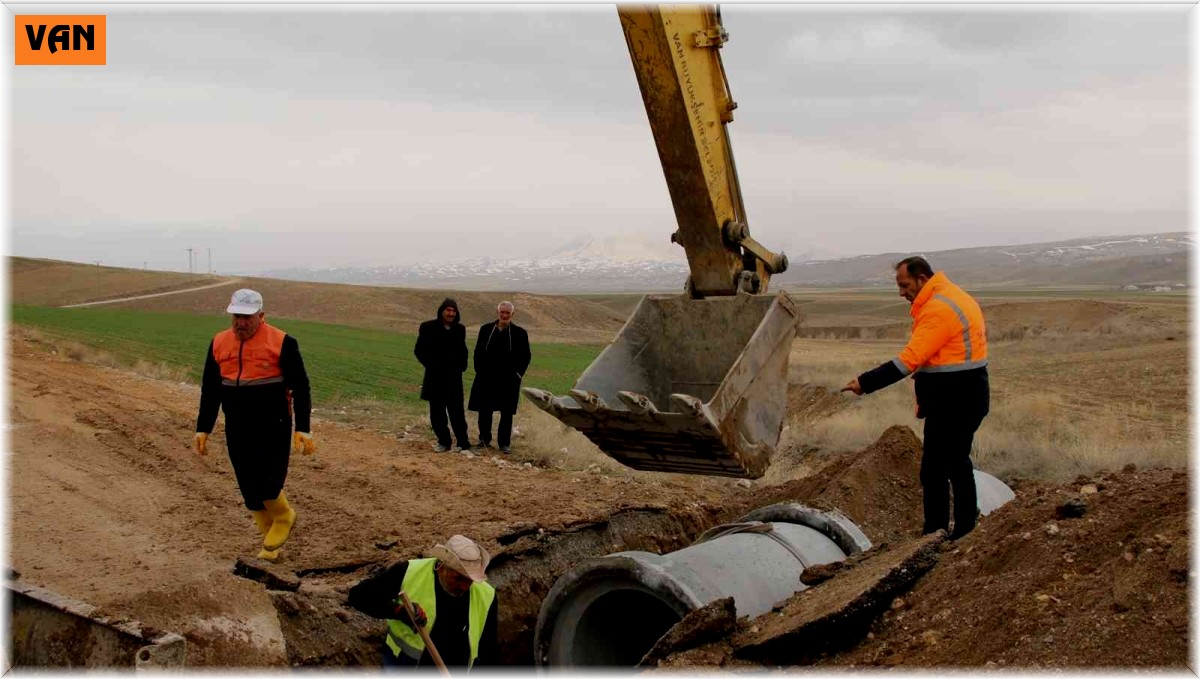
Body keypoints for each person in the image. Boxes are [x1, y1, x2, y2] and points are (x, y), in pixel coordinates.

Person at [841, 256, 989, 540]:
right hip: (959, 397)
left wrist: (865, 383)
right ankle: (939, 532)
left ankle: (958, 532)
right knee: (939, 467)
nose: (901, 292)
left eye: (904, 285)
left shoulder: (938, 309)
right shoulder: (952, 295)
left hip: (956, 401)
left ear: (922, 279)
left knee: (951, 465)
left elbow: (907, 361)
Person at [194, 288, 315, 561]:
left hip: (274, 421)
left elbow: (301, 387)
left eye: (247, 317)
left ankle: (284, 516)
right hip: (236, 422)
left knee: (267, 478)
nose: (241, 323)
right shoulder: (218, 343)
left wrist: (303, 428)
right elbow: (210, 389)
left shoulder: (283, 342)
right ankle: (270, 546)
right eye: (237, 316)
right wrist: (204, 427)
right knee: (247, 483)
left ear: (261, 316)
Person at [347, 535, 499, 670]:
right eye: (458, 578)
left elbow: (488, 651)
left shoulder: (487, 595)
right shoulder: (408, 573)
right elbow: (358, 596)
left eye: (470, 580)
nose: (464, 587)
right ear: (441, 566)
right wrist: (399, 612)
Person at [468, 301, 531, 453]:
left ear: (512, 314)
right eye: (502, 312)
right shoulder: (486, 329)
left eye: (507, 313)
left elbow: (526, 355)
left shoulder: (520, 333)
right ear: (497, 313)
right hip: (486, 377)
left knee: (507, 411)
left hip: (509, 379)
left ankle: (504, 443)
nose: (504, 315)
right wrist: (479, 370)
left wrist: (518, 374)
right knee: (484, 410)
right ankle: (484, 440)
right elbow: (478, 352)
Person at [414, 298, 471, 453]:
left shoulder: (460, 329)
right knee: (437, 412)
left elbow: (463, 350)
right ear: (442, 311)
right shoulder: (427, 327)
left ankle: (463, 443)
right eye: (448, 310)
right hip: (435, 377)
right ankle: (444, 442)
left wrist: (462, 366)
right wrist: (432, 365)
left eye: (454, 311)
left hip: (454, 377)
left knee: (457, 411)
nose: (451, 313)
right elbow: (419, 350)